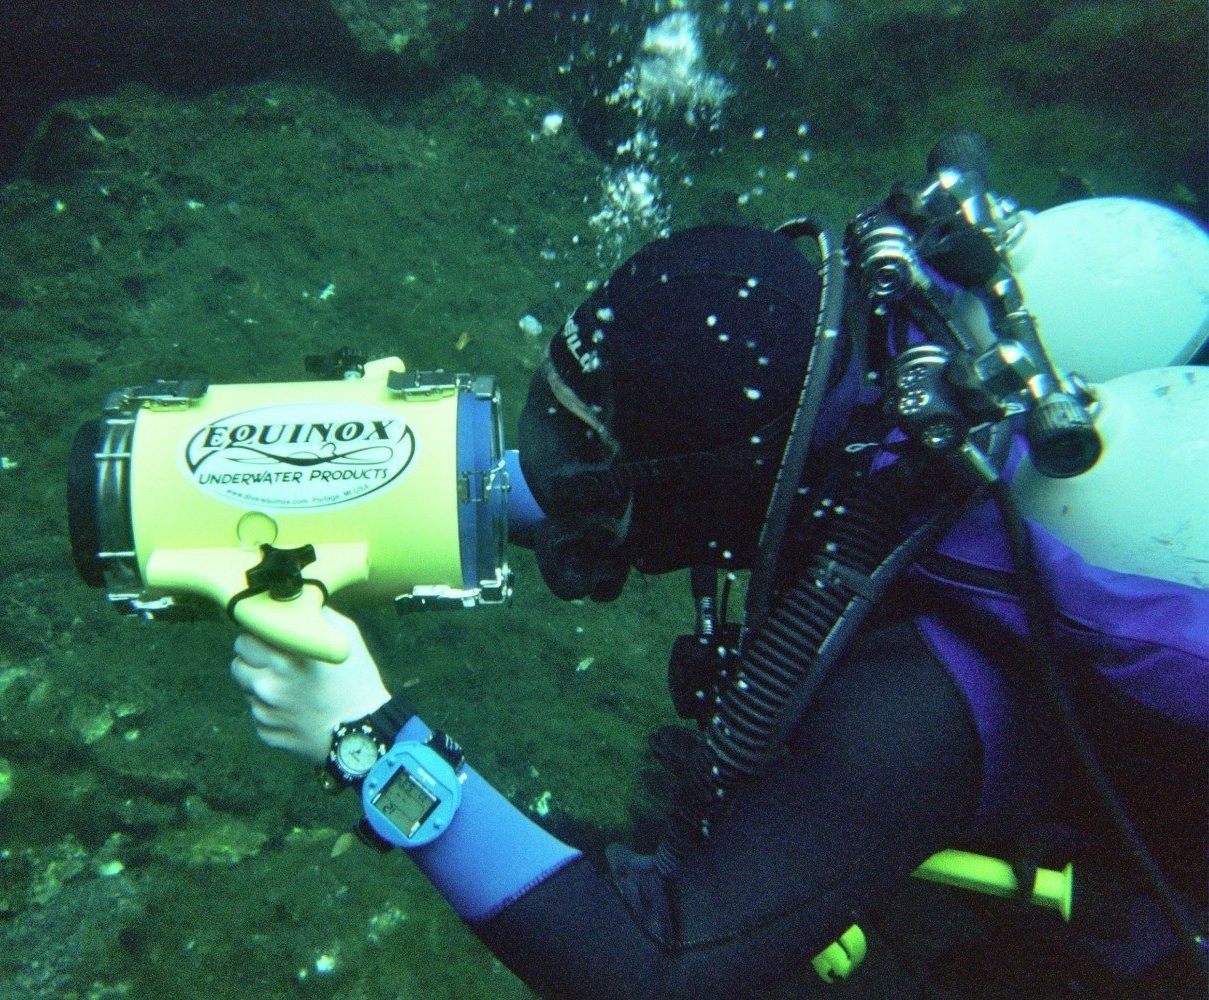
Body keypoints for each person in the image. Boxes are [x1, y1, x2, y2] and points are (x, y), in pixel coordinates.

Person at [229, 162, 1208, 996]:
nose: (572, 470)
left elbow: (654, 964)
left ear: (707, 487)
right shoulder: (866, 362)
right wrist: (373, 499)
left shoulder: (913, 707)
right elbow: (620, 468)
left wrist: (367, 739)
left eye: (599, 451)